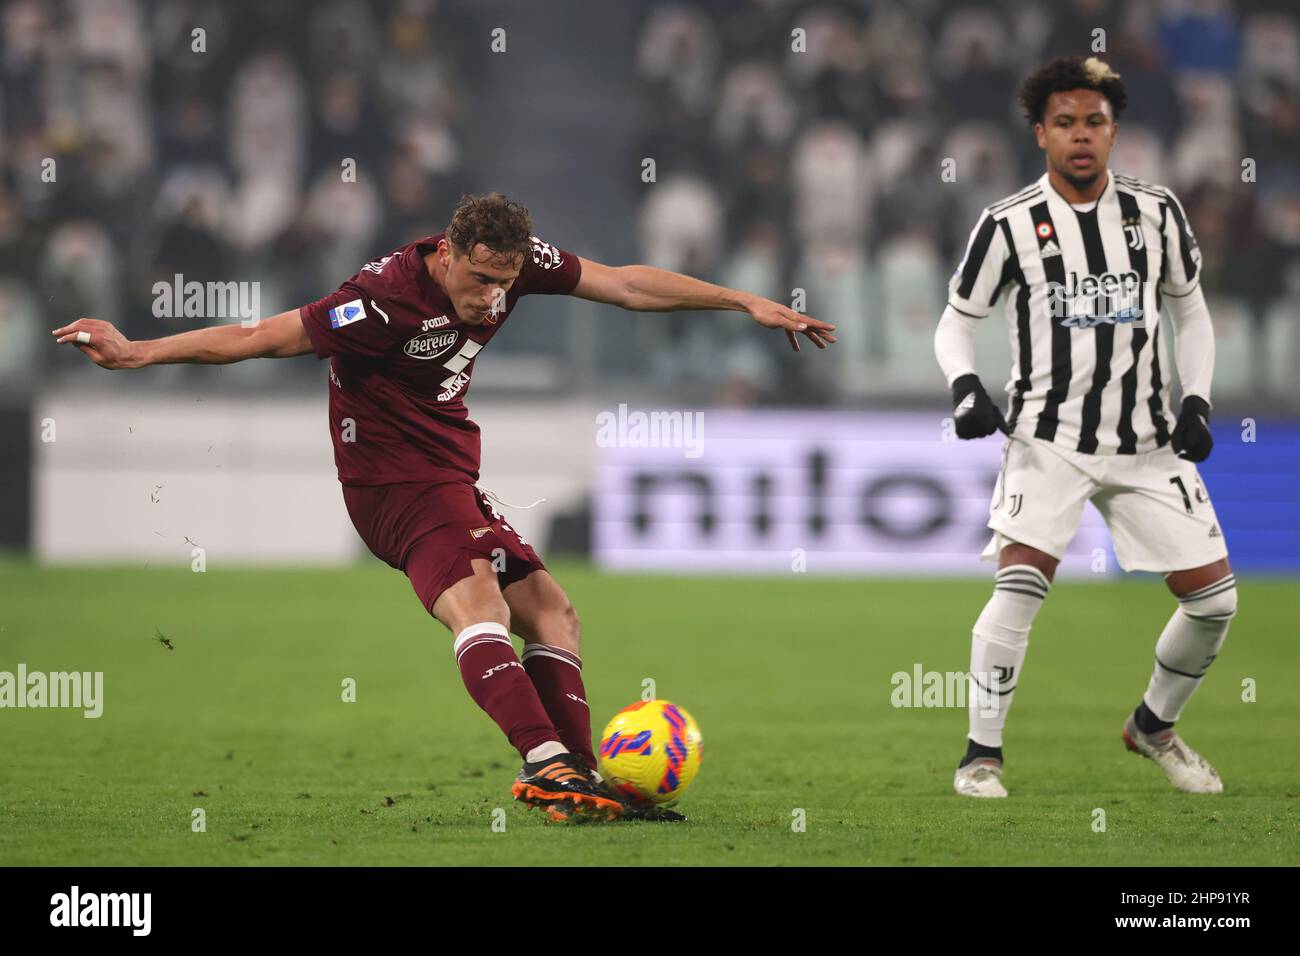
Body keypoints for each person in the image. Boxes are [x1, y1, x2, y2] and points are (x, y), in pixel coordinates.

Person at [54, 192, 837, 821]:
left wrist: (744, 302)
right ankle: (542, 763)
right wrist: (137, 352)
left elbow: (626, 283)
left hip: (451, 476)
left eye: (505, 282)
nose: (492, 296)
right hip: (391, 483)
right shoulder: (378, 300)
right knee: (480, 604)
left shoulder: (515, 266)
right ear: (447, 253)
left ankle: (584, 785)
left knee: (555, 614)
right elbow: (263, 336)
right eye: (478, 279)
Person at [934, 57, 1233, 798]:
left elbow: (1191, 312)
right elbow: (956, 323)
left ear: (1113, 132)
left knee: (1215, 603)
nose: (1080, 136)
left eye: (1093, 123)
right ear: (1040, 134)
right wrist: (966, 388)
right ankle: (981, 756)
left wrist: (1196, 400)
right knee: (1019, 587)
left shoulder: (1156, 211)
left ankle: (1154, 727)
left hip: (1146, 442)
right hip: (1048, 440)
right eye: (1064, 123)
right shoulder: (1006, 224)